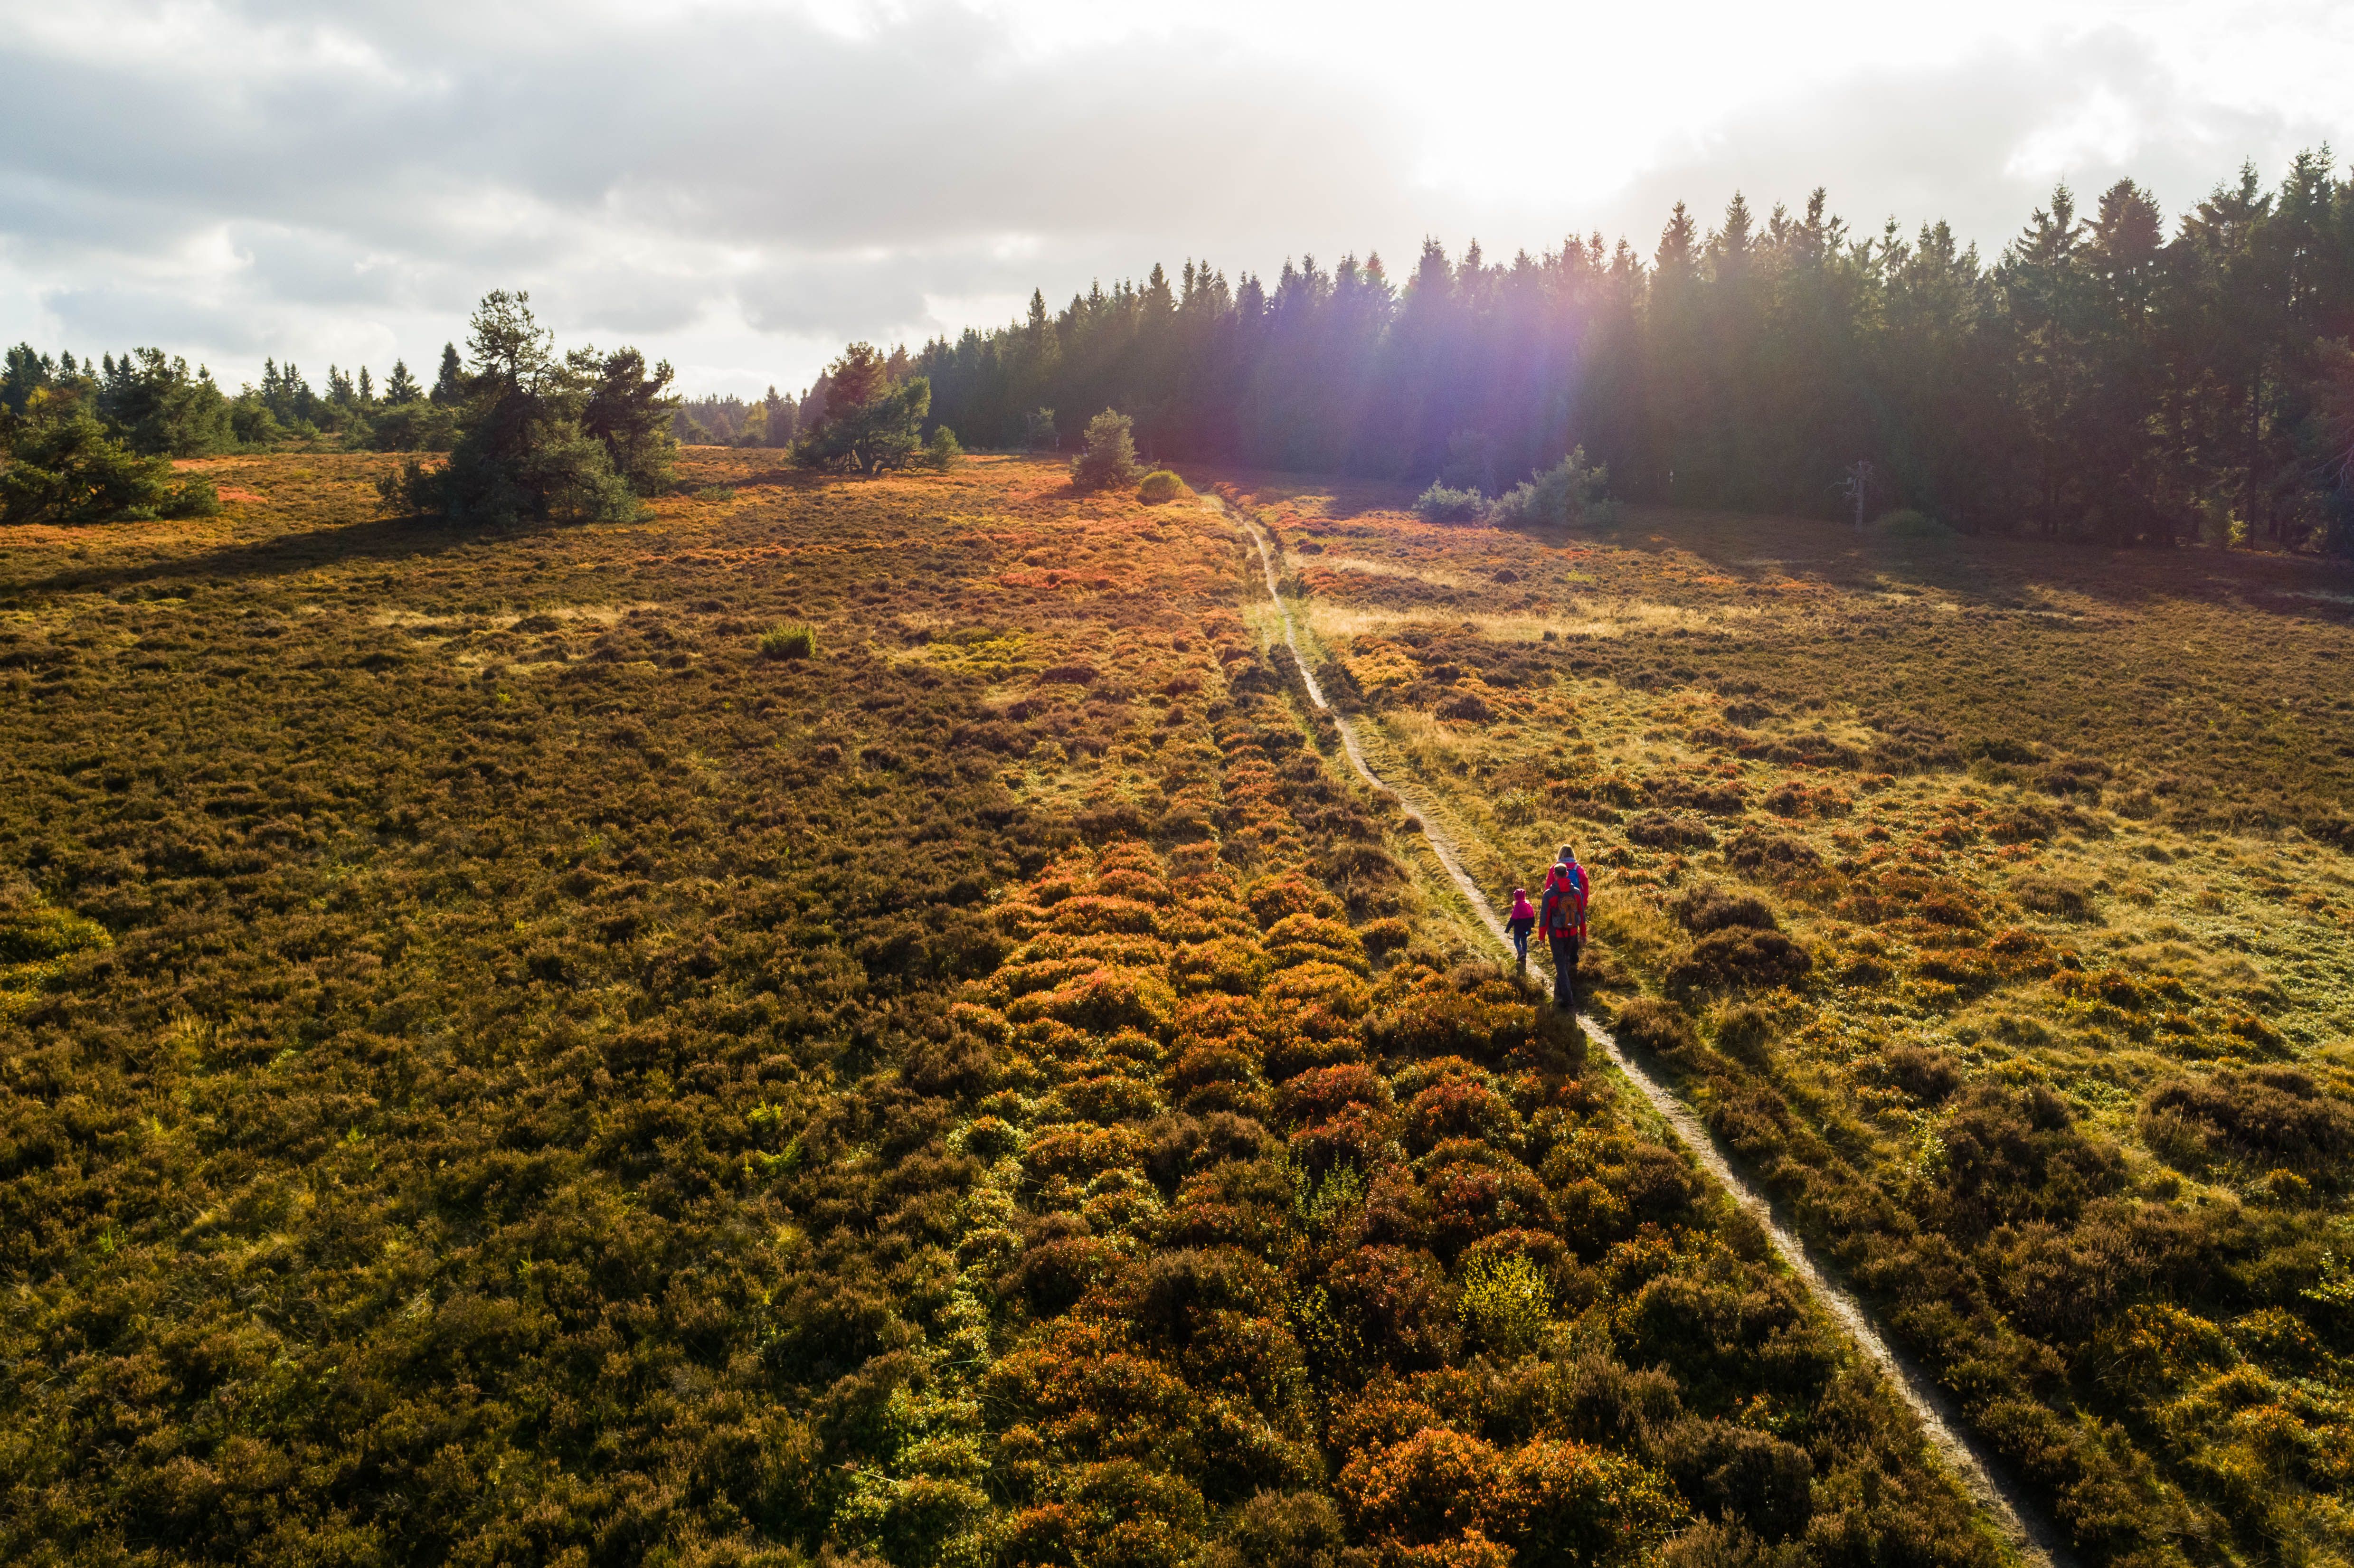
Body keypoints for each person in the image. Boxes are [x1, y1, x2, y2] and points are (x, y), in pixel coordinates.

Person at [1537, 843, 1589, 1011]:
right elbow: (1582, 915)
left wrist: (1541, 937)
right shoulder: (1576, 893)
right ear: (1567, 874)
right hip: (1572, 930)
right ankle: (1560, 990)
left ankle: (1567, 999)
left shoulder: (1550, 895)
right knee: (1565, 960)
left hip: (1556, 933)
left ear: (1554, 874)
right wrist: (1583, 935)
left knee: (1560, 963)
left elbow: (1544, 917)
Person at [1505, 887, 1535, 969]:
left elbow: (1513, 919)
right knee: (1524, 941)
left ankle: (1520, 953)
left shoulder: (1518, 907)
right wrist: (1533, 925)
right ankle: (1524, 956)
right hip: (1527, 929)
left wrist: (1507, 929)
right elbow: (1533, 916)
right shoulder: (1529, 905)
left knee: (1516, 941)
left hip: (1519, 929)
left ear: (1516, 898)